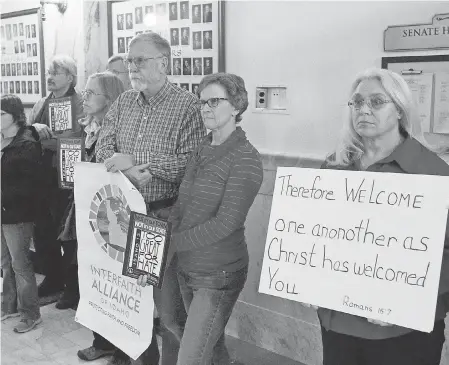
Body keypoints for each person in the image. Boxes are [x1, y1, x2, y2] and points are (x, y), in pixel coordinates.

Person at [318, 67, 449, 365]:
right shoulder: (335, 166)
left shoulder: (432, 172)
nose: (364, 110)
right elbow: (319, 237)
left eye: (376, 102)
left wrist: (404, 301)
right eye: (357, 102)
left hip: (404, 333)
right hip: (340, 324)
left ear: (400, 110)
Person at [93, 32, 206, 365]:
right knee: (129, 305)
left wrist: (144, 165)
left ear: (163, 62)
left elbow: (193, 161)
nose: (132, 67)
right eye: (129, 61)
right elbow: (103, 145)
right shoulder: (124, 101)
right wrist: (123, 168)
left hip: (161, 219)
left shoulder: (187, 106)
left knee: (169, 312)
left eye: (139, 60)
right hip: (121, 216)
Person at [138, 73, 263, 365]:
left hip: (218, 274)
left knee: (191, 356)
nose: (205, 108)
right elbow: (183, 206)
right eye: (202, 101)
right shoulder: (202, 148)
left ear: (236, 106)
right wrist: (153, 228)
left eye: (214, 101)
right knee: (181, 328)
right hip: (185, 264)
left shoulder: (245, 158)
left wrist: (171, 240)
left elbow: (225, 223)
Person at [27, 55, 85, 302]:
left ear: (70, 77)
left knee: (68, 232)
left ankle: (73, 286)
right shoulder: (42, 103)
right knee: (43, 230)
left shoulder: (80, 101)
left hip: (68, 175)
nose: (49, 77)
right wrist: (34, 131)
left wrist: (47, 140)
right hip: (41, 176)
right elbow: (29, 135)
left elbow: (77, 137)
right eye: (49, 72)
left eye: (56, 72)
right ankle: (52, 279)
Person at [1, 95, 43, 333]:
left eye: (1, 114)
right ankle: (9, 306)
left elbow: (30, 187)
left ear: (15, 116)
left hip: (17, 214)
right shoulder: (2, 139)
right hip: (3, 212)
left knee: (20, 264)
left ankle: (31, 313)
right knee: (5, 263)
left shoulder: (26, 143)